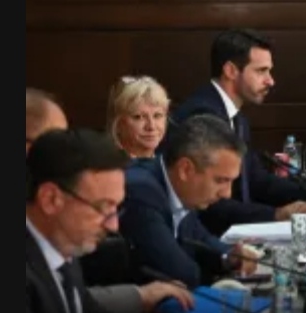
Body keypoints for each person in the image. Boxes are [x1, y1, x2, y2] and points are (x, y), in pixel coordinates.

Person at [170, 29, 306, 235]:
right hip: (207, 239)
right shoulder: (203, 116)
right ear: (231, 70)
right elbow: (209, 202)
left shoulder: (237, 118)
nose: (270, 81)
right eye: (261, 71)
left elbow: (258, 180)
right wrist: (276, 215)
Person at [26, 88, 193, 313]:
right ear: (51, 199)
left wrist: (141, 296)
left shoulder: (64, 241)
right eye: (102, 208)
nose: (113, 225)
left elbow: (81, 303)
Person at [122, 115, 260, 288]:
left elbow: (199, 237)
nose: (227, 194)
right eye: (221, 180)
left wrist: (229, 256)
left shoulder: (180, 188)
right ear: (185, 170)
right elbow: (181, 275)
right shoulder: (141, 193)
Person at [107, 76, 169, 161]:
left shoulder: (167, 165)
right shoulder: (107, 167)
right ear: (118, 124)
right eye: (138, 117)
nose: (151, 126)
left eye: (157, 116)